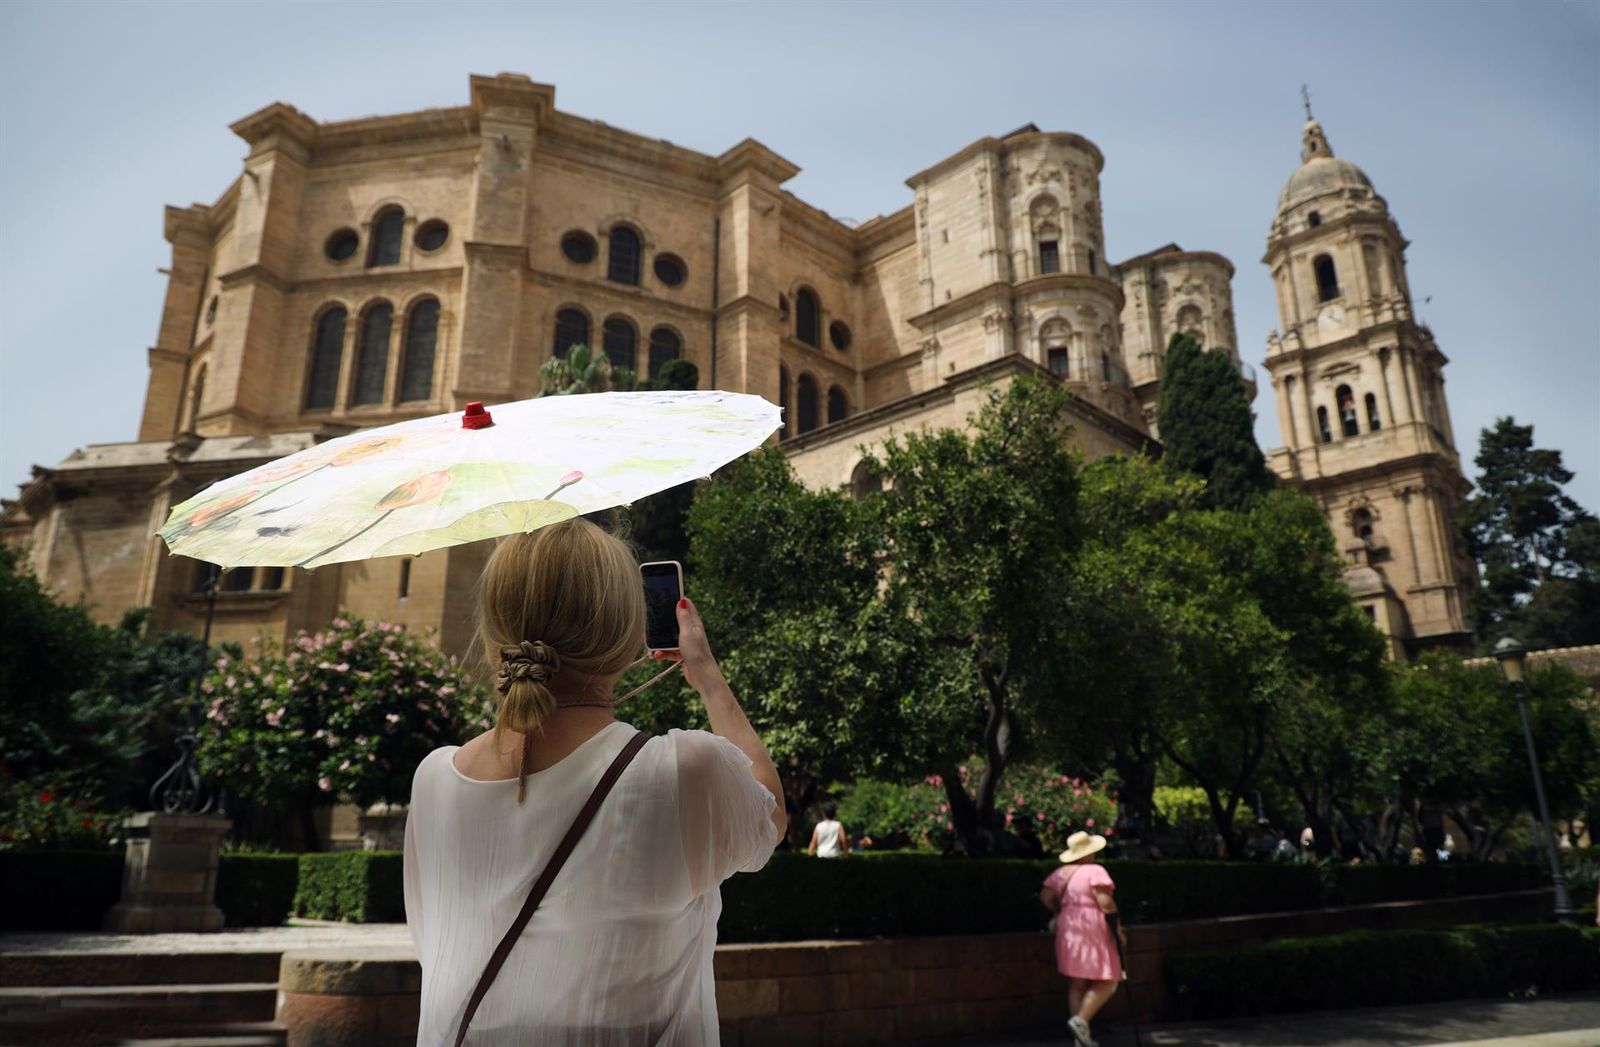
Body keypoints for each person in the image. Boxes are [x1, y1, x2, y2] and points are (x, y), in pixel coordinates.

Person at [403, 519, 786, 1045]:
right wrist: (710, 680)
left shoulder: (433, 780)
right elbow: (769, 816)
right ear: (627, 634)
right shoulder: (682, 770)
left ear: (494, 629)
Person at [1040, 831, 1124, 1047]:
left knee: (1076, 982)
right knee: (1109, 980)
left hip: (1068, 925)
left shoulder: (1062, 873)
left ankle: (1081, 1038)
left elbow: (1046, 897)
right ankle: (1081, 1020)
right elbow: (1105, 903)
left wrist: (1063, 909)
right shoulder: (1095, 871)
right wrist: (1118, 929)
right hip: (1091, 925)